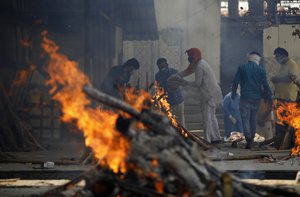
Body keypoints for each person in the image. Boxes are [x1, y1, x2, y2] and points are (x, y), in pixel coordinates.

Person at [169, 48, 223, 144]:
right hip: (212, 92)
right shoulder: (198, 63)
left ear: (197, 56)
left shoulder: (200, 66)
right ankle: (216, 138)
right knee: (212, 117)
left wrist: (185, 83)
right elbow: (187, 72)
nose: (190, 58)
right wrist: (175, 76)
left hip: (209, 94)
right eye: (189, 56)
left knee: (206, 117)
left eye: (192, 56)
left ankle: (207, 140)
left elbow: (198, 84)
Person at [232, 51, 272, 149]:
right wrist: (269, 95)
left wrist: (233, 93)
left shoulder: (242, 68)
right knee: (253, 119)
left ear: (249, 58)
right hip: (256, 99)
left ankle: (249, 139)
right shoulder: (261, 70)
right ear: (257, 60)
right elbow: (266, 85)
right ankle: (252, 137)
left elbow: (235, 81)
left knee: (245, 119)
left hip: (245, 97)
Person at [271, 47, 299, 149]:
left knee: (287, 122)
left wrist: (277, 79)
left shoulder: (291, 64)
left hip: (288, 98)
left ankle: (287, 143)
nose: (277, 58)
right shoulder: (282, 65)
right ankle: (279, 142)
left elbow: (293, 77)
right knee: (280, 122)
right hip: (280, 97)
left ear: (283, 55)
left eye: (277, 56)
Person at [155, 58, 185, 126]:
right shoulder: (158, 75)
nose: (162, 69)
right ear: (158, 67)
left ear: (167, 65)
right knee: (170, 122)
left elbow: (181, 82)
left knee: (180, 122)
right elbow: (159, 89)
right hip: (168, 103)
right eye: (160, 67)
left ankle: (183, 136)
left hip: (178, 100)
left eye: (163, 66)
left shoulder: (174, 72)